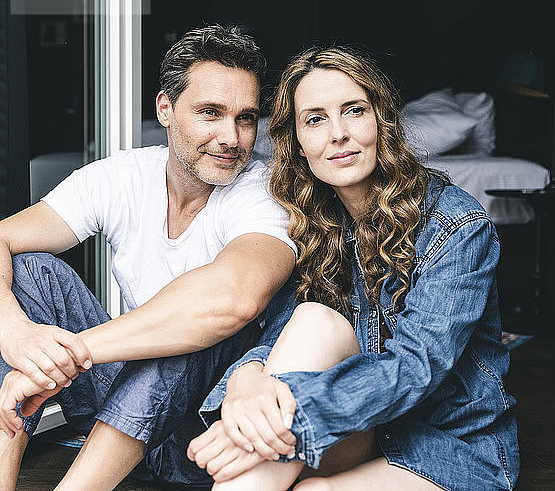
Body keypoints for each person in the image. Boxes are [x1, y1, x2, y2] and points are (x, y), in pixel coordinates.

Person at [186, 46, 520, 490]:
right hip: (357, 430)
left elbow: (417, 366)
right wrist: (246, 384)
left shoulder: (457, 227)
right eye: (316, 119)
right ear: (299, 145)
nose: (338, 134)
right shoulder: (315, 221)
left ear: (382, 122)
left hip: (450, 443)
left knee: (310, 489)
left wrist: (282, 420)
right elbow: (280, 336)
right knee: (312, 318)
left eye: (354, 111)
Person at [0, 25, 297, 490]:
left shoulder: (264, 193)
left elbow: (235, 299)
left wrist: (73, 354)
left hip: (205, 435)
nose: (231, 137)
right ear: (165, 109)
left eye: (245, 118)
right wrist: (16, 334)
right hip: (124, 407)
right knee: (29, 269)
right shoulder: (121, 176)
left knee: (189, 329)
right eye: (210, 113)